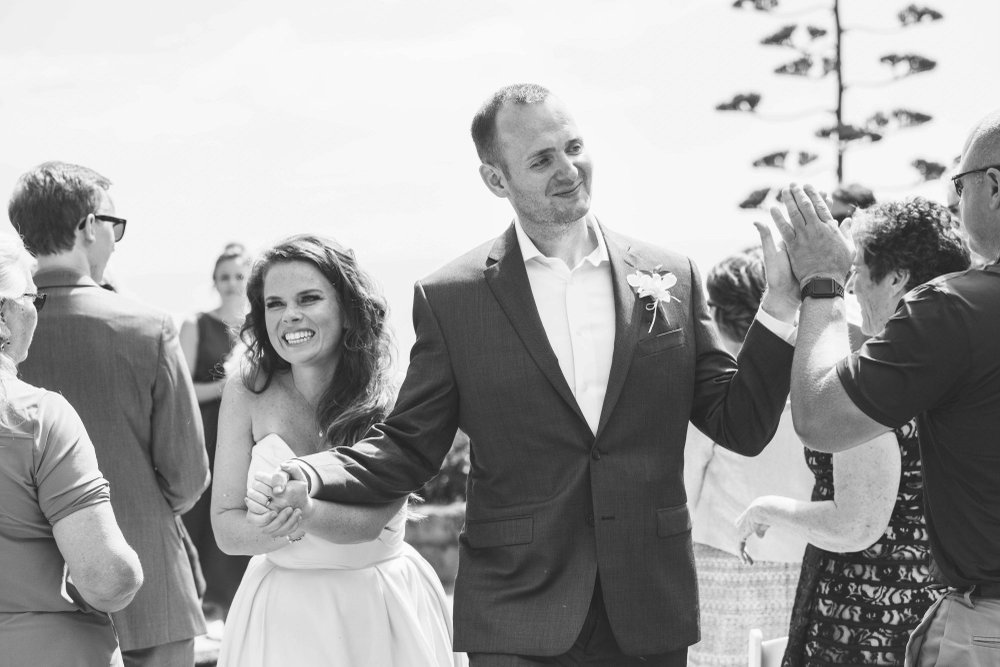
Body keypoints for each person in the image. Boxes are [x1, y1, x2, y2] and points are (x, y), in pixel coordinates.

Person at [261, 84, 800, 665]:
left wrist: (780, 304)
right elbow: (408, 446)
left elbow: (740, 424)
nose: (568, 169)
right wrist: (311, 472)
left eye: (574, 147)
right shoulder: (452, 298)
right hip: (515, 611)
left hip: (649, 606)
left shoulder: (672, 274)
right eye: (541, 160)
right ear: (496, 179)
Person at [763, 109, 1000, 667]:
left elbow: (820, 418)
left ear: (994, 186)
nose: (956, 201)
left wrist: (821, 283)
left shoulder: (955, 308)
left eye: (959, 184)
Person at [212, 234, 463, 667]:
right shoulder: (245, 391)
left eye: (308, 298)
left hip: (379, 606)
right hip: (281, 615)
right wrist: (289, 525)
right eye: (274, 304)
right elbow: (226, 530)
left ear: (347, 310)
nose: (290, 315)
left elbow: (370, 524)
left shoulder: (389, 396)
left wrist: (302, 510)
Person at [739, 198, 969, 666]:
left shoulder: (879, 377)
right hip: (931, 607)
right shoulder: (955, 359)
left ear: (897, 278)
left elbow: (856, 524)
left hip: (865, 618)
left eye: (858, 269)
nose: (851, 284)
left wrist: (768, 509)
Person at [8, 161, 209, 667]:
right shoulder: (148, 327)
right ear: (87, 226)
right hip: (152, 593)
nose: (116, 243)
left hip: (33, 607)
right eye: (114, 226)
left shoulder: (13, 337)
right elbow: (188, 477)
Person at [0, 232, 143, 666]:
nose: (35, 312)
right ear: (2, 315)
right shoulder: (36, 416)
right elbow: (108, 579)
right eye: (32, 298)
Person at [684, 247, 814, 667]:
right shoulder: (812, 378)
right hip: (801, 563)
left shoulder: (714, 388)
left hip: (720, 562)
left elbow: (685, 483)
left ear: (715, 313)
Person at [179, 242, 251, 623]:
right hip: (206, 433)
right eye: (224, 277)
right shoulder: (196, 325)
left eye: (239, 276)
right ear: (214, 281)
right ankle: (202, 602)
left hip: (249, 434)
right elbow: (182, 389)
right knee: (203, 513)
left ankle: (240, 602)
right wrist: (231, 384)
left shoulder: (259, 324)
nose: (232, 283)